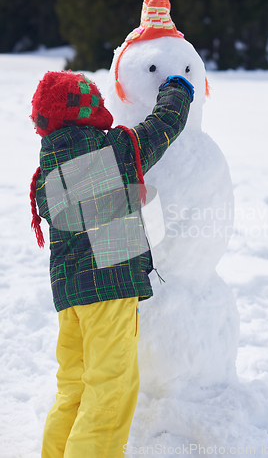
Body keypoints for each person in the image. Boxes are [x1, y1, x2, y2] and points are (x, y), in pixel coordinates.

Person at [29, 70, 194, 458]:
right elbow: (163, 126)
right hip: (109, 288)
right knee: (110, 390)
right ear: (90, 112)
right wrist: (176, 89)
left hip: (70, 298)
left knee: (74, 388)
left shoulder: (46, 172)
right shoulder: (115, 151)